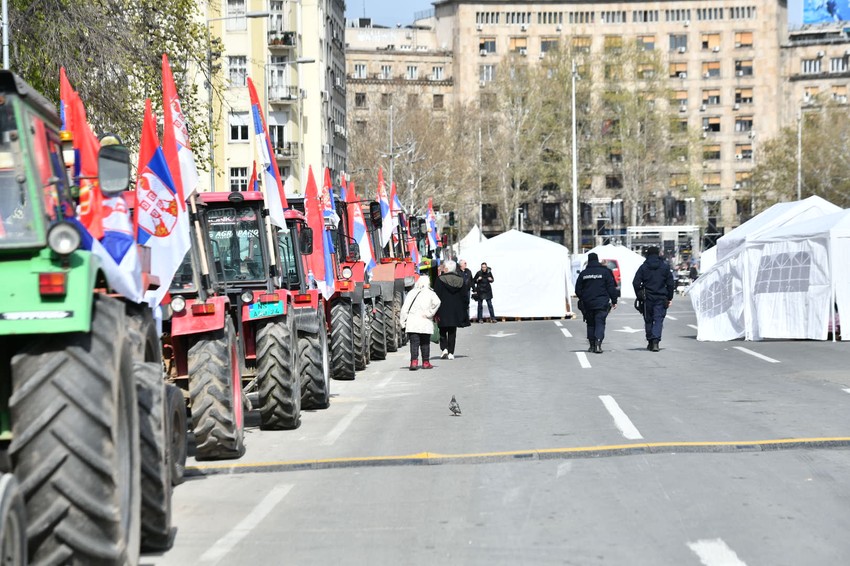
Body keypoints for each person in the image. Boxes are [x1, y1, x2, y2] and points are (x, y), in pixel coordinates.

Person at [574, 252, 619, 354]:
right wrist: (614, 301)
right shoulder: (605, 272)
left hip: (588, 303)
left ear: (589, 261)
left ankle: (591, 345)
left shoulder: (583, 273)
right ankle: (598, 344)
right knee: (600, 323)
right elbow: (611, 288)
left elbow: (577, 289)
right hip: (601, 302)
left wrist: (583, 298)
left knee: (590, 323)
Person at [633, 246, 675, 352]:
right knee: (658, 319)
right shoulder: (664, 267)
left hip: (647, 298)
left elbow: (636, 282)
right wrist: (669, 297)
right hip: (661, 297)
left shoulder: (643, 267)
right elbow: (670, 283)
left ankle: (650, 341)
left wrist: (639, 294)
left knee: (648, 320)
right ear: (658, 254)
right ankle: (656, 341)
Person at [399, 275, 441, 370]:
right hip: (425, 321)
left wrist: (403, 322)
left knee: (414, 343)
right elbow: (437, 302)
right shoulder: (431, 293)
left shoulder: (411, 293)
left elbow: (405, 308)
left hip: (413, 322)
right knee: (425, 343)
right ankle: (426, 362)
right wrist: (430, 313)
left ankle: (414, 362)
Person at [434, 259, 467, 359]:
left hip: (442, 308)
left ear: (447, 269)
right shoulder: (461, 280)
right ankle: (451, 352)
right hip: (456, 310)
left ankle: (444, 348)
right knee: (452, 331)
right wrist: (464, 308)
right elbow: (464, 296)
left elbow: (436, 295)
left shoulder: (440, 279)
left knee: (442, 329)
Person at [458, 259, 474, 327]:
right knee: (460, 304)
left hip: (467, 290)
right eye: (464, 263)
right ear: (461, 264)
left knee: (467, 304)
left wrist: (474, 288)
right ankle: (460, 319)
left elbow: (471, 280)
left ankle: (467, 319)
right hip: (460, 290)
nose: (466, 264)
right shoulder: (458, 272)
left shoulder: (468, 271)